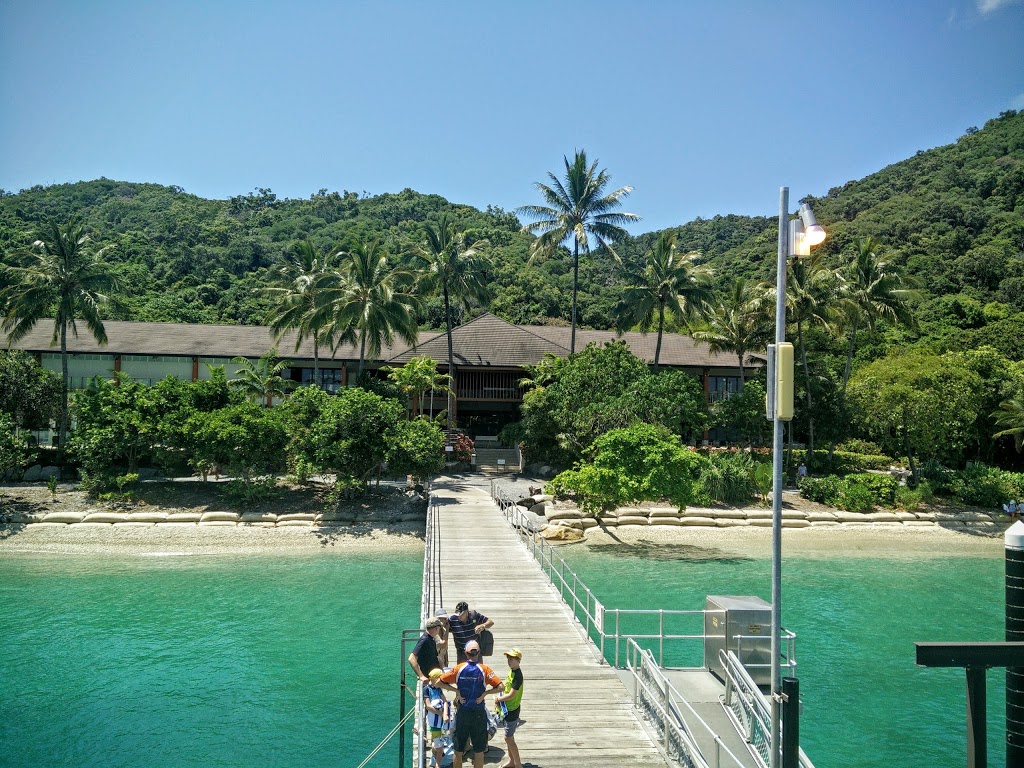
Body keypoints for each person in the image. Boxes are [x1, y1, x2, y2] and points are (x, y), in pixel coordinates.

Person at [438, 640, 503, 768]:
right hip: (479, 712)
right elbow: (500, 687)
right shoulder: (485, 670)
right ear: (478, 653)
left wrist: (456, 690)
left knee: (458, 749)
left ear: (466, 653)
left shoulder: (459, 669)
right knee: (479, 750)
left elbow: (439, 682)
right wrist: (485, 693)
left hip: (463, 711)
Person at [495, 648, 525, 768]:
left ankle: (518, 764)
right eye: (508, 658)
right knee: (509, 736)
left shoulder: (518, 675)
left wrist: (499, 699)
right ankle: (511, 761)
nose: (509, 661)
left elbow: (512, 694)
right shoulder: (511, 671)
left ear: (518, 660)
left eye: (512, 659)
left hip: (512, 710)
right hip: (507, 708)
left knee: (508, 738)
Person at [424, 668, 451, 768]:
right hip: (434, 722)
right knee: (440, 749)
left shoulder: (439, 688)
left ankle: (435, 750)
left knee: (439, 742)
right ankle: (438, 765)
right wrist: (441, 714)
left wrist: (445, 713)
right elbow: (428, 706)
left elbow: (444, 701)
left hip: (442, 722)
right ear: (435, 678)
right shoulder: (426, 689)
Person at [409, 617, 443, 684]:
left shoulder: (431, 639)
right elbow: (411, 658)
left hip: (434, 678)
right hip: (428, 680)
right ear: (436, 628)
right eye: (439, 628)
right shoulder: (424, 640)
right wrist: (421, 676)